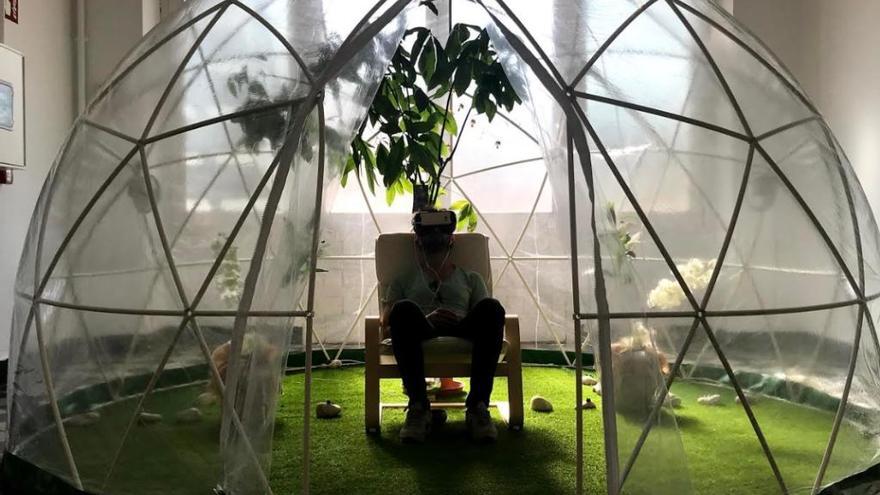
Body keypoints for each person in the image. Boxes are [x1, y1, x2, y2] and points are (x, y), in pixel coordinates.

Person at [380, 208, 506, 444]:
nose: (435, 235)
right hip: (421, 329)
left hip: (462, 327)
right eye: (428, 231)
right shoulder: (403, 278)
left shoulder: (471, 278)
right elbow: (387, 320)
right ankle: (418, 407)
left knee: (492, 307)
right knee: (403, 308)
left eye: (442, 230)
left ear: (452, 239)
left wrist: (459, 320)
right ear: (418, 240)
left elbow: (486, 318)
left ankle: (477, 408)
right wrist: (427, 319)